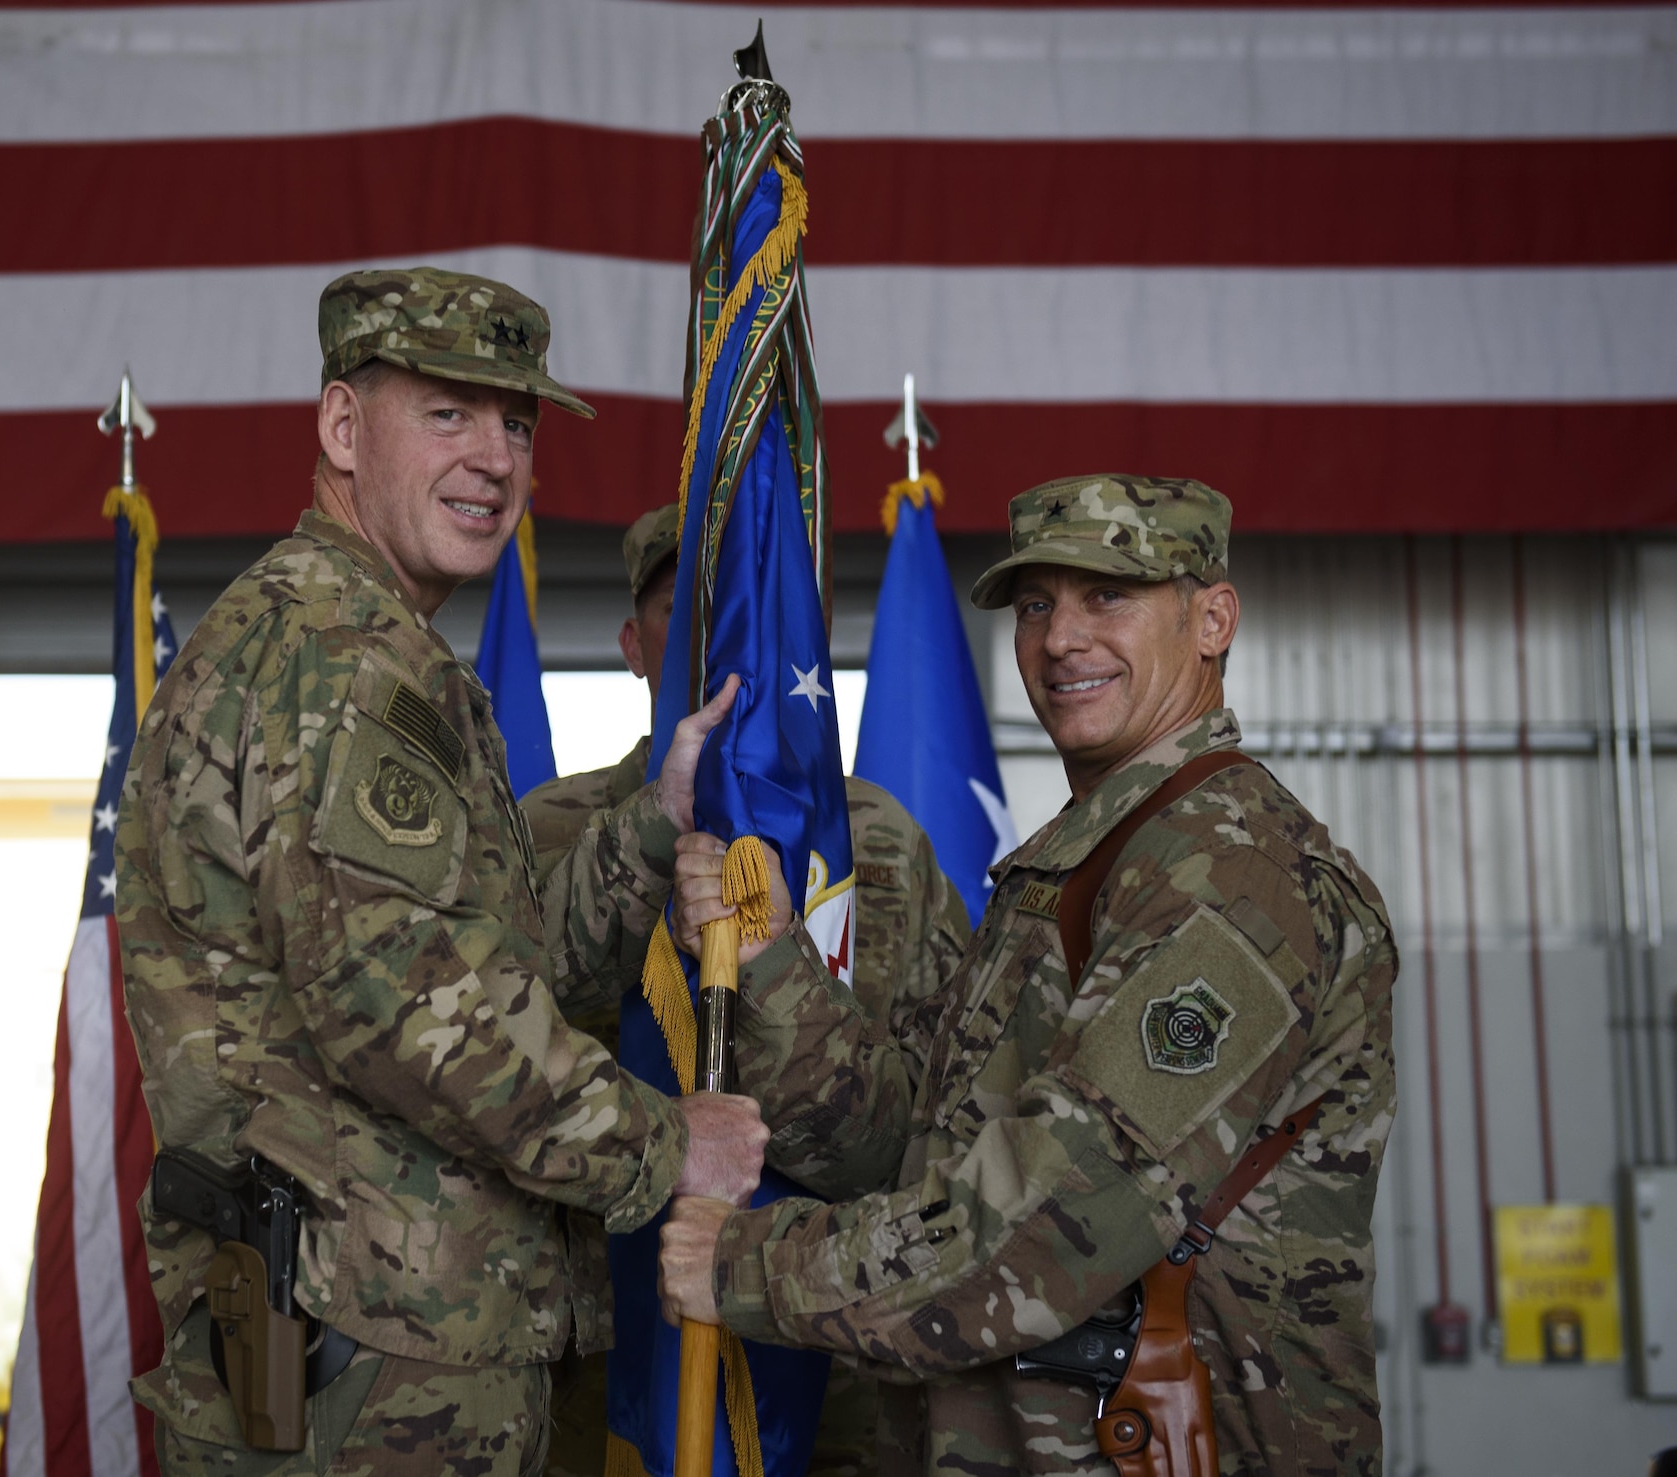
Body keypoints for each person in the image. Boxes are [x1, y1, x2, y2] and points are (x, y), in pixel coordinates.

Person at [116, 267, 772, 1477]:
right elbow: (418, 1019)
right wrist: (665, 1146)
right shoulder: (343, 664)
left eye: (515, 424)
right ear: (340, 427)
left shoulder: (348, 640)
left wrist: (646, 826)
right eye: (447, 415)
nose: (494, 458)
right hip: (369, 1367)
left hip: (367, 1342)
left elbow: (484, 969)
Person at [659, 476, 1397, 1476]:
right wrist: (770, 961)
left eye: (1108, 597)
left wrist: (743, 1267)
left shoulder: (1231, 877)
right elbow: (908, 1148)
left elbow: (1057, 1215)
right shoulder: (1087, 860)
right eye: (1037, 603)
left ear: (1211, 618)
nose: (1060, 639)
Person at [522, 503, 975, 1477]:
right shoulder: (550, 833)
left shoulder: (879, 846)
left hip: (837, 1387)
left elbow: (943, 1134)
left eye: (744, 612)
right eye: (682, 613)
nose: (718, 639)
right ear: (631, 648)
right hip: (599, 1390)